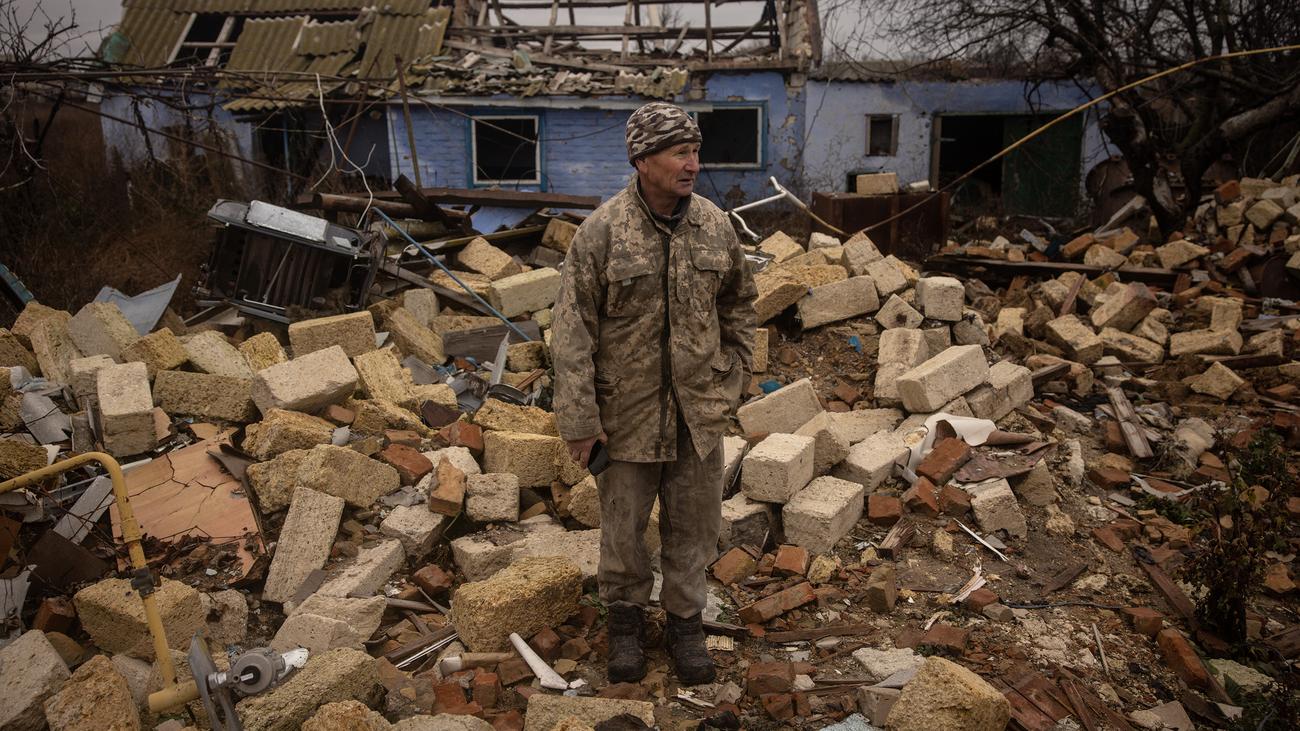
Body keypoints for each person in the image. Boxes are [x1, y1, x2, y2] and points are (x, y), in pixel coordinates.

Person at [551, 102, 757, 685]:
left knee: (694, 529)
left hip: (699, 415)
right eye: (679, 153)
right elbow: (571, 334)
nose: (693, 163)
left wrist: (734, 378)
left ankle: (686, 626)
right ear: (642, 161)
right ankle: (625, 625)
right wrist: (579, 422)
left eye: (695, 151)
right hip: (624, 418)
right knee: (623, 534)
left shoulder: (716, 226)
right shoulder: (602, 233)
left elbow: (740, 304)